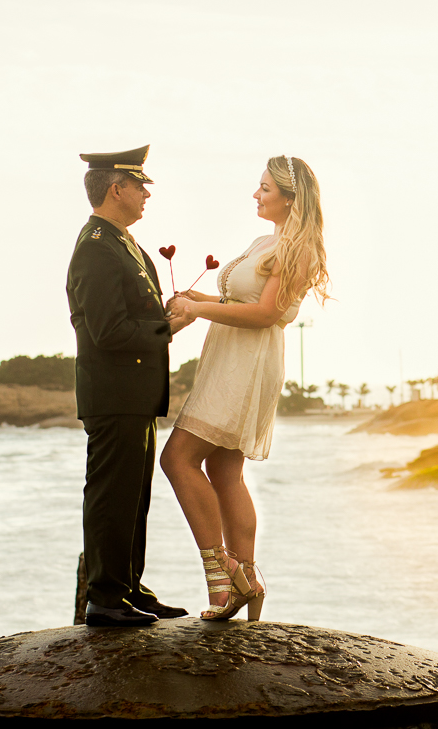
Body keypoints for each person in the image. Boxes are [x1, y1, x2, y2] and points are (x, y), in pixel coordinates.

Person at [161, 155, 329, 621]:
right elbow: (242, 301)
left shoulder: (299, 249)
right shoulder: (265, 241)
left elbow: (265, 314)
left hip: (247, 364)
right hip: (229, 358)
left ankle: (223, 573)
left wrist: (198, 312)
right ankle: (247, 580)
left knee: (176, 458)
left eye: (265, 189)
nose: (256, 195)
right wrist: (202, 299)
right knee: (224, 470)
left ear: (291, 198)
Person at [66, 145, 195, 627]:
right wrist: (171, 327)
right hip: (114, 395)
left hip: (133, 395)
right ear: (116, 189)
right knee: (110, 494)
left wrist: (168, 315)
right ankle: (104, 597)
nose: (146, 195)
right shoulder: (96, 247)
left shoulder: (124, 243)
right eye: (140, 186)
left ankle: (127, 587)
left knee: (133, 497)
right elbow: (109, 332)